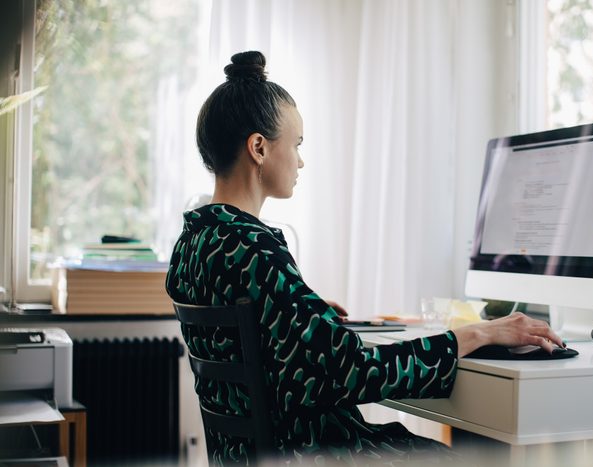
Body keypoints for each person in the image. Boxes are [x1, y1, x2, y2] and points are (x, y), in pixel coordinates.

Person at [166, 50, 565, 465]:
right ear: (259, 148)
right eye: (297, 144)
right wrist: (475, 334)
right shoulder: (255, 247)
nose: (301, 160)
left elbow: (264, 343)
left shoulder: (194, 243)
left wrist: (307, 315)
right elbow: (350, 370)